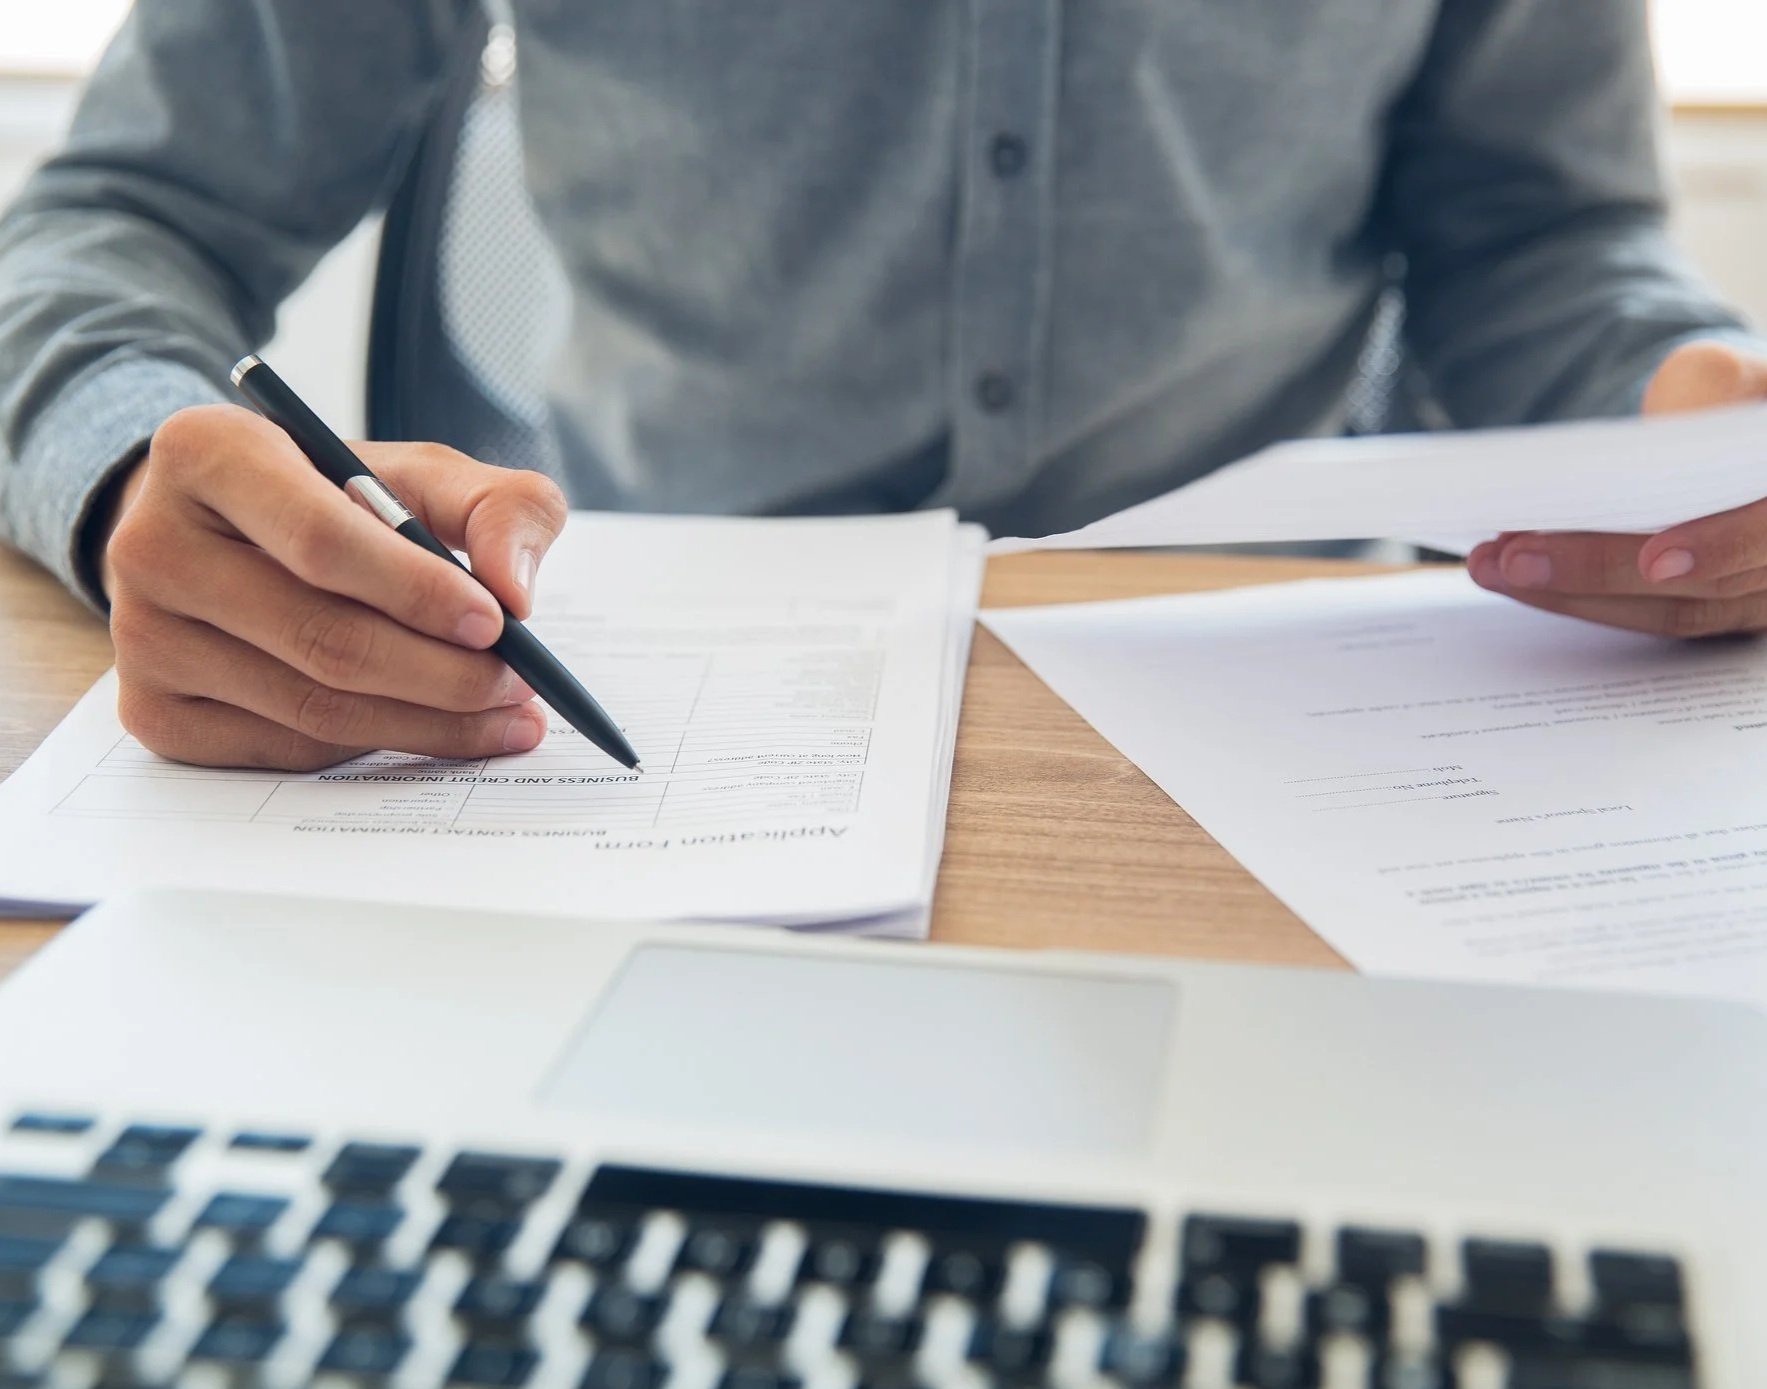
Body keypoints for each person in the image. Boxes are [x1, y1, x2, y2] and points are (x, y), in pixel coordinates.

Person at [0, 2, 1762, 771]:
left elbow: (1539, 232)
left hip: (1291, 712)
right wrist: (127, 476)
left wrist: (1696, 403)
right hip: (656, 706)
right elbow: (116, 224)